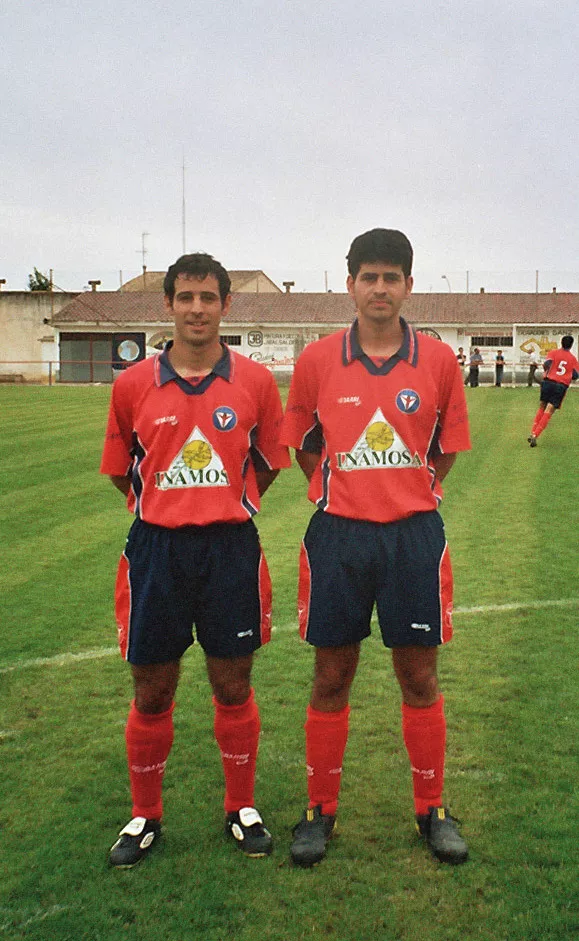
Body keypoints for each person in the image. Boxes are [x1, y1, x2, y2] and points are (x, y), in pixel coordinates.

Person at [280, 228, 471, 868]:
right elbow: (304, 442)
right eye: (369, 276)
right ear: (351, 283)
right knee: (331, 674)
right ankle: (319, 811)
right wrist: (347, 489)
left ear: (409, 285)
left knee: (418, 675)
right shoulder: (315, 361)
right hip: (338, 536)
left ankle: (433, 810)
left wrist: (406, 491)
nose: (380, 288)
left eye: (392, 277)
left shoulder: (440, 362)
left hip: (414, 537)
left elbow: (442, 451)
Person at [100, 252, 290, 867]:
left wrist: (220, 502)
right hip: (156, 550)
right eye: (186, 297)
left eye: (209, 298)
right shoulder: (131, 385)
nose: (197, 309)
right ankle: (144, 814)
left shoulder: (256, 382)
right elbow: (120, 471)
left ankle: (241, 806)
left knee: (233, 684)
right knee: (152, 689)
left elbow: (270, 461)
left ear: (226, 305)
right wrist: (168, 506)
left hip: (230, 549)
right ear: (169, 305)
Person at [528, 335, 578, 447]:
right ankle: (535, 435)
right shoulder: (573, 359)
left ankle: (532, 432)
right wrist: (567, 374)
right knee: (549, 410)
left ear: (561, 343)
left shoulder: (553, 353)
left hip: (548, 382)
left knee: (542, 406)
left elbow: (547, 364)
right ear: (571, 345)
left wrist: (548, 371)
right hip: (560, 386)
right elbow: (575, 375)